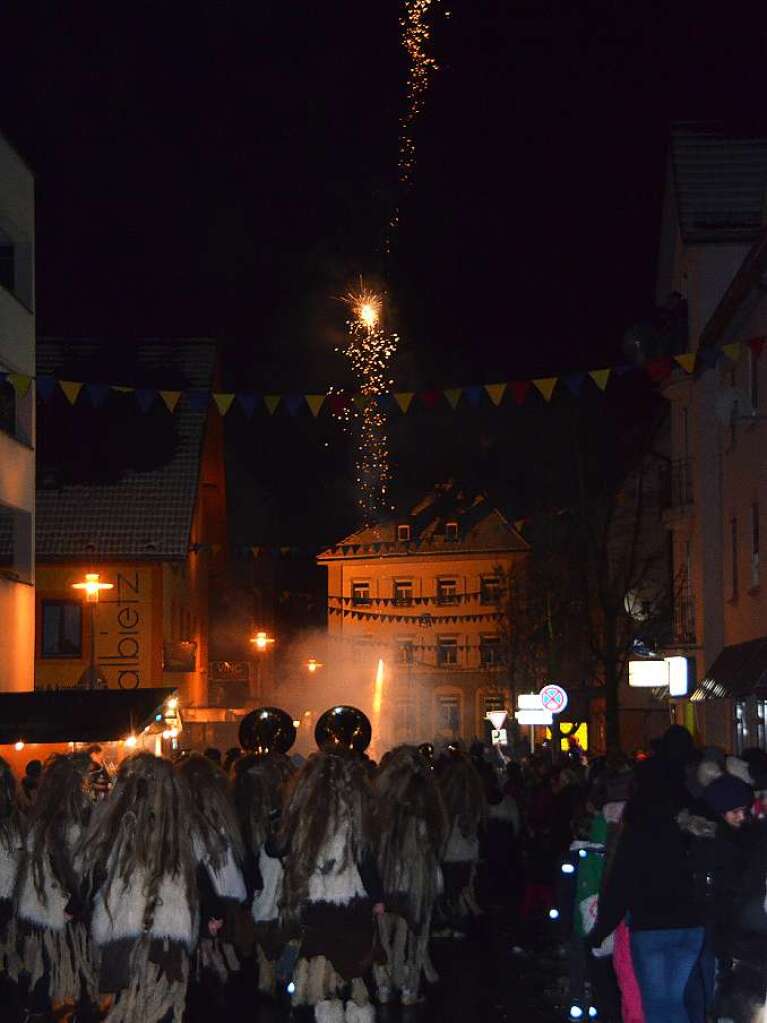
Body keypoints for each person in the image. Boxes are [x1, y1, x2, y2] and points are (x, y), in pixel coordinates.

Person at [271, 706, 383, 1023]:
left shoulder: (303, 811)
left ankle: (324, 1009)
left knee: (320, 962)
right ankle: (354, 1009)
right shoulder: (355, 809)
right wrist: (376, 895)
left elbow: (278, 847)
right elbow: (365, 855)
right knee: (352, 963)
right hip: (351, 900)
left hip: (315, 900)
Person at [80, 753, 206, 1023]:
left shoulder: (110, 832)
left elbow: (92, 879)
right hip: (165, 943)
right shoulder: (182, 835)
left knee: (128, 1009)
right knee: (158, 1010)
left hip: (123, 939)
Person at [589, 725, 703, 1023]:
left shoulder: (639, 824)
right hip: (692, 922)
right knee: (679, 1000)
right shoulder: (694, 813)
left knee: (657, 1003)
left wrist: (601, 929)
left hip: (651, 924)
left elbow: (622, 879)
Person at [14, 753, 95, 1018]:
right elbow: (75, 870)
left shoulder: (39, 820)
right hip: (60, 914)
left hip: (42, 911)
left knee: (48, 976)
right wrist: (75, 902)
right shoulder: (67, 823)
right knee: (65, 975)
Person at [373, 745, 446, 1007]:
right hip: (416, 874)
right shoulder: (425, 791)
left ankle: (383, 984)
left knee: (382, 931)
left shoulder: (381, 794)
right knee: (415, 929)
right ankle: (408, 987)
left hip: (386, 872)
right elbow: (438, 833)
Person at [176, 753, 248, 1005]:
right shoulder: (221, 821)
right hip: (220, 900)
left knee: (204, 973)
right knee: (221, 968)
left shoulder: (182, 824)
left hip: (200, 905)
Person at [435, 747, 485, 935]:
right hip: (467, 852)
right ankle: (461, 925)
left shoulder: (446, 799)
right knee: (463, 889)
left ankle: (452, 924)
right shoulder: (473, 798)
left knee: (451, 891)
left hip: (450, 852)